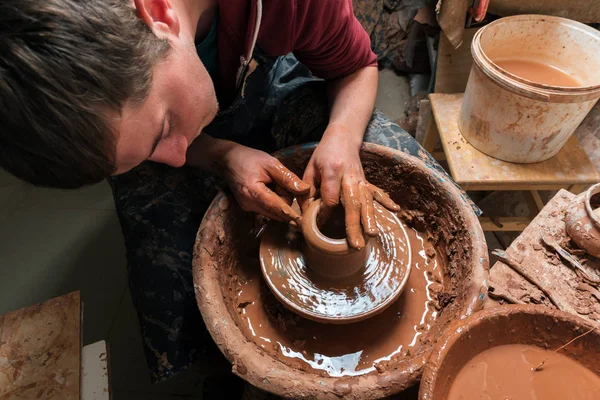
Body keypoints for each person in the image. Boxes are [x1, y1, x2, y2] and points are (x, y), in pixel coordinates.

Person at [0, 0, 473, 387]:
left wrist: (341, 140)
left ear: (158, 13)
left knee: (393, 159)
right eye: (150, 144)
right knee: (169, 286)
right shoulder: (137, 121)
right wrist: (220, 155)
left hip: (268, 83)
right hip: (203, 127)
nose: (176, 153)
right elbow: (169, 151)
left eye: (164, 127)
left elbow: (358, 68)